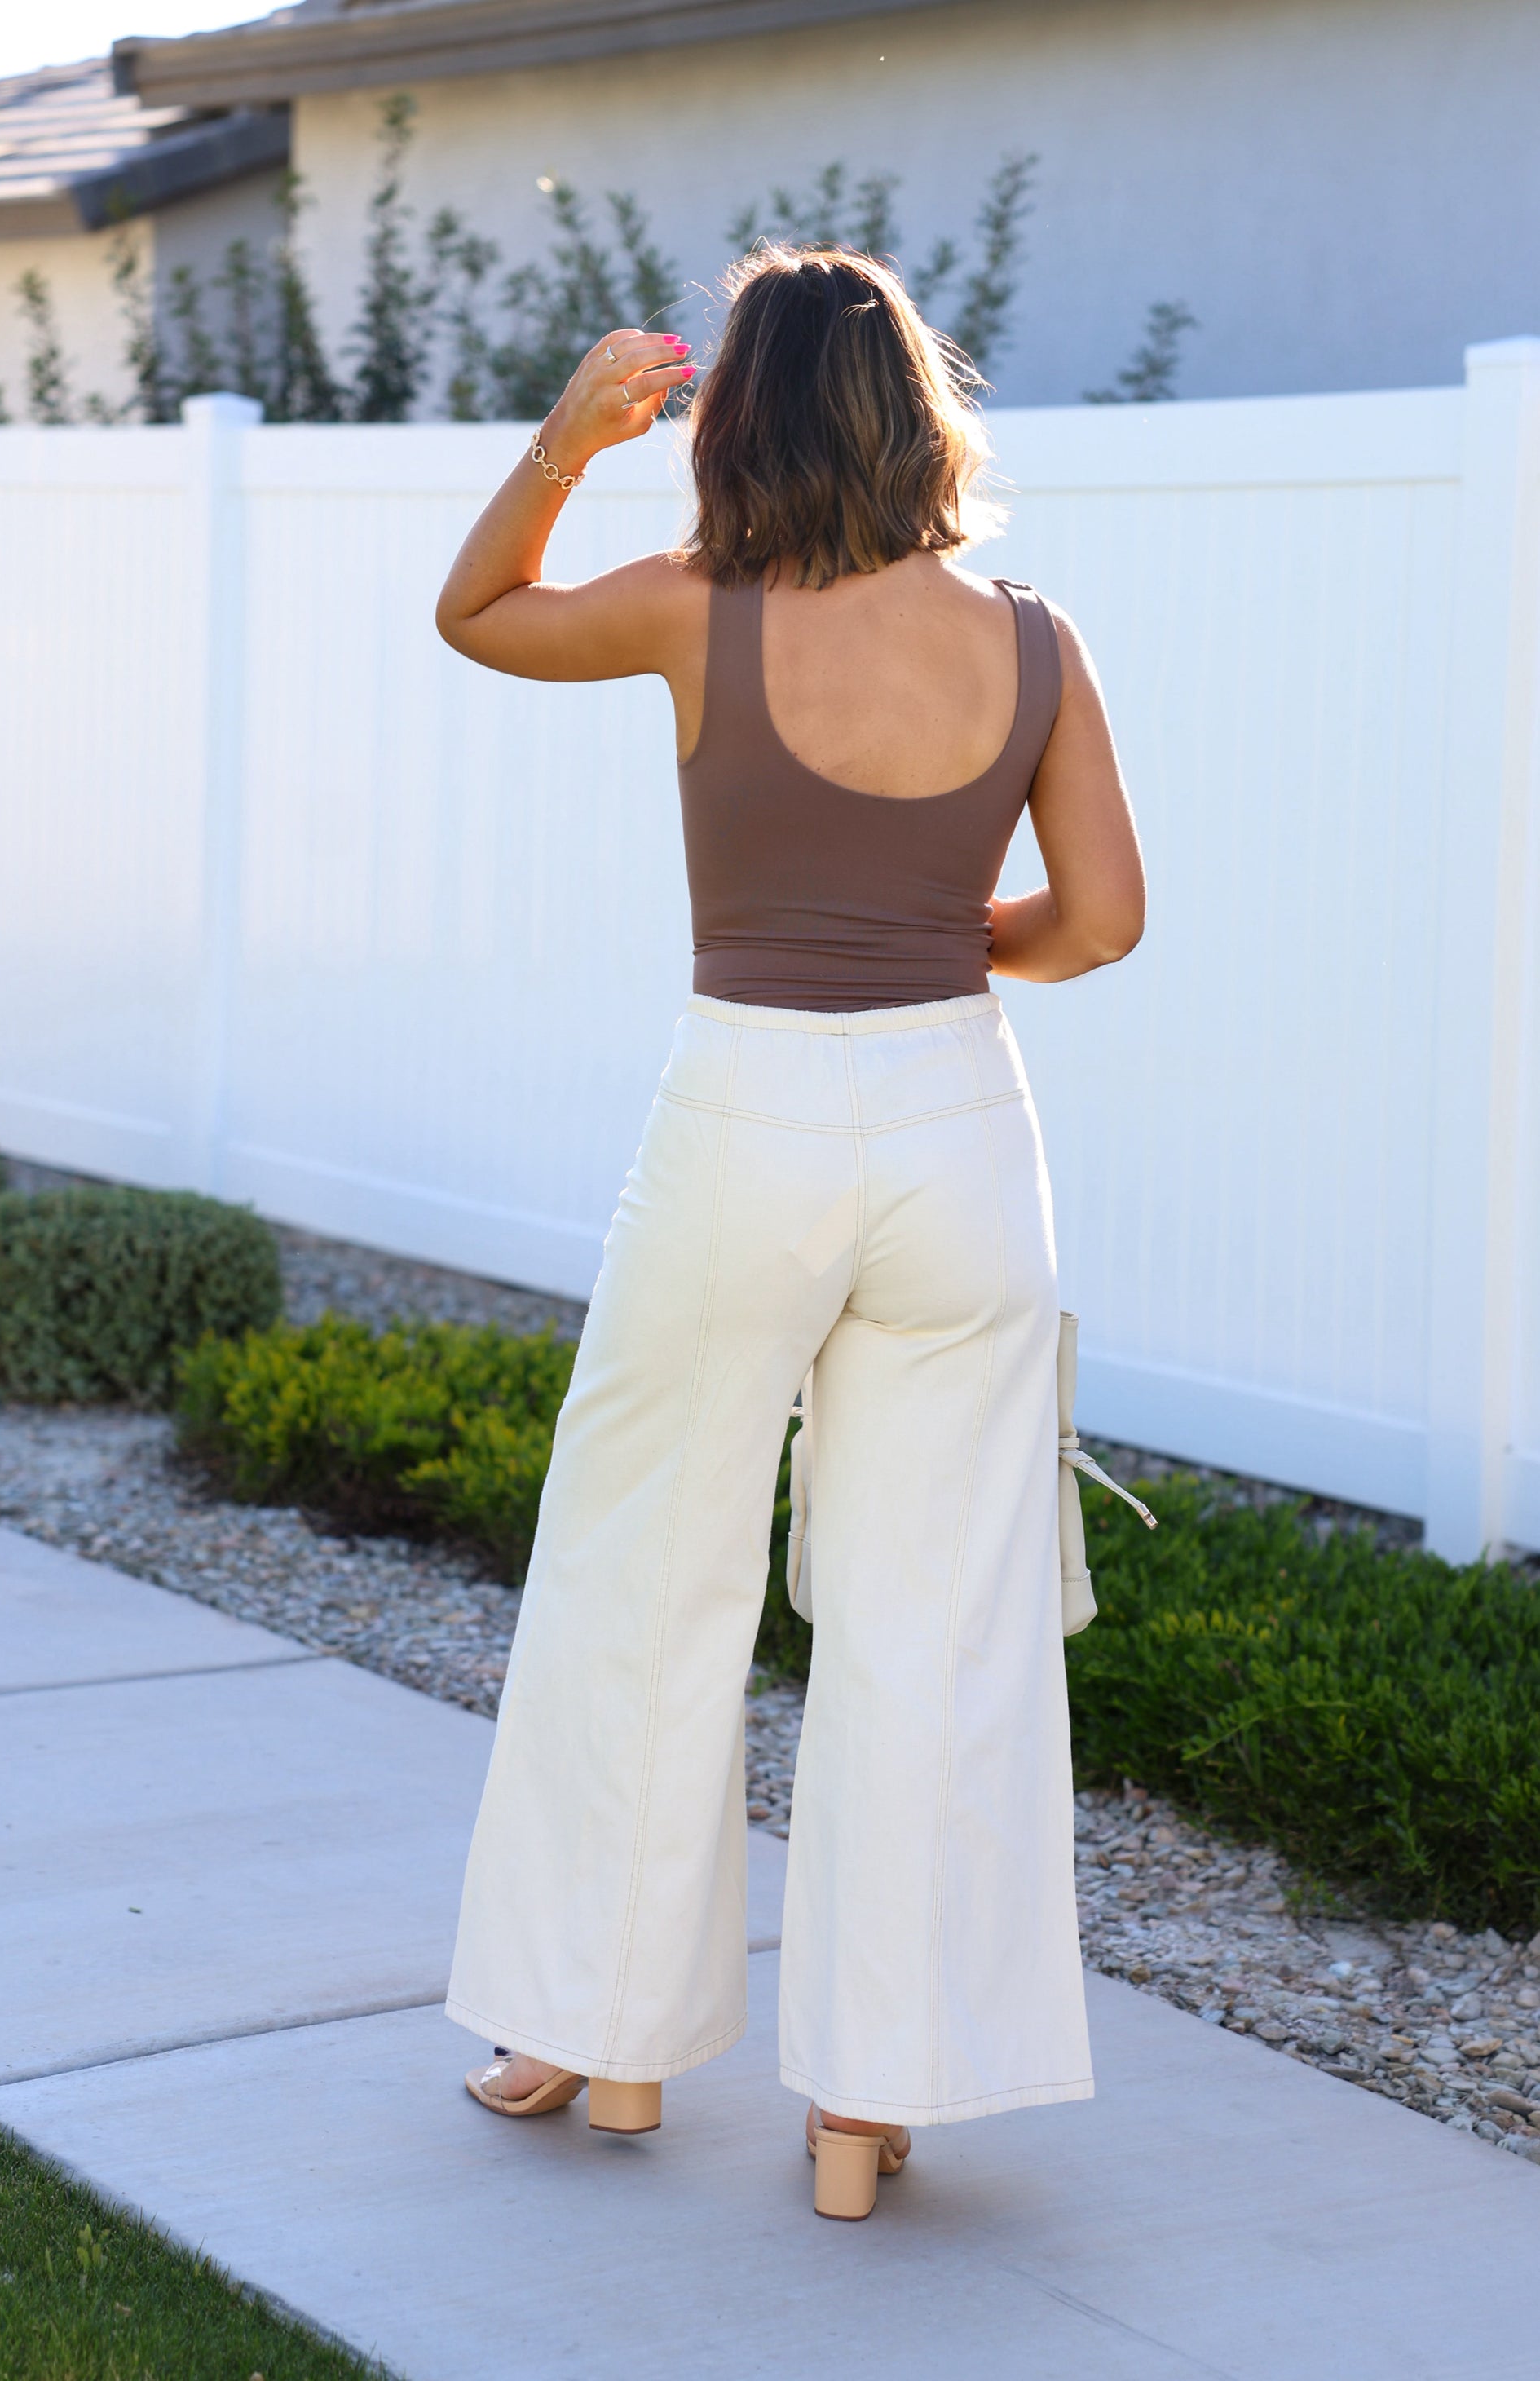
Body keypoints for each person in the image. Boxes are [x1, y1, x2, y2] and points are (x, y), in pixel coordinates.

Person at [434, 247, 1145, 2221]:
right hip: (957, 1128)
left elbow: (472, 612)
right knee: (938, 1620)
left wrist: (567, 444)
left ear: (739, 416)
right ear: (920, 416)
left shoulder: (694, 610)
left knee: (639, 1573)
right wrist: (932, 938)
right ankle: (865, 2109)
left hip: (744, 1111)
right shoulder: (1033, 638)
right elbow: (1099, 920)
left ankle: (599, 2039)